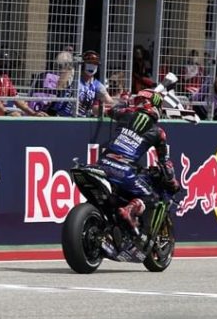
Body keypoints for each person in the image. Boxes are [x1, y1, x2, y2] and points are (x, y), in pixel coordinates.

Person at [96, 89, 178, 234]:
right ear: (156, 107)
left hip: (102, 163)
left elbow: (112, 110)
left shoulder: (126, 113)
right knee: (151, 197)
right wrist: (173, 181)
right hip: (123, 169)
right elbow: (165, 163)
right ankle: (129, 210)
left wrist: (124, 100)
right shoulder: (158, 132)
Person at [0, 50, 45, 117]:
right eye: (3, 62)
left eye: (7, 63)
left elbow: (16, 99)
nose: (6, 65)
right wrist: (7, 113)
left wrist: (33, 114)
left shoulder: (6, 78)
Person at [74, 50, 115, 117]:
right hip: (62, 116)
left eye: (94, 64)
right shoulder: (74, 78)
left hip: (82, 118)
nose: (92, 66)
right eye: (89, 63)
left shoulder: (97, 84)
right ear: (83, 64)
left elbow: (109, 101)